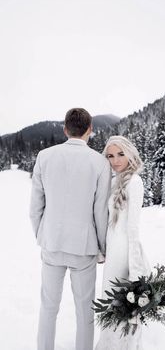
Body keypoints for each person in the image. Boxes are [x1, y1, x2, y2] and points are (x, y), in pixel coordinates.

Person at [29, 108, 111, 350]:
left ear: (65, 129)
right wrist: (102, 248)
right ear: (90, 130)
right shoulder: (99, 162)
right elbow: (100, 212)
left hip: (51, 244)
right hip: (83, 248)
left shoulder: (44, 156)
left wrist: (43, 235)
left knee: (48, 308)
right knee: (85, 311)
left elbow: (35, 207)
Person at [95, 136, 150, 350]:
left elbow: (133, 228)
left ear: (130, 153)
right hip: (113, 253)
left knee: (124, 306)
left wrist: (135, 269)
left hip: (126, 253)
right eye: (110, 156)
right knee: (110, 304)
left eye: (120, 154)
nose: (116, 160)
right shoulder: (112, 181)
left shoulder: (135, 182)